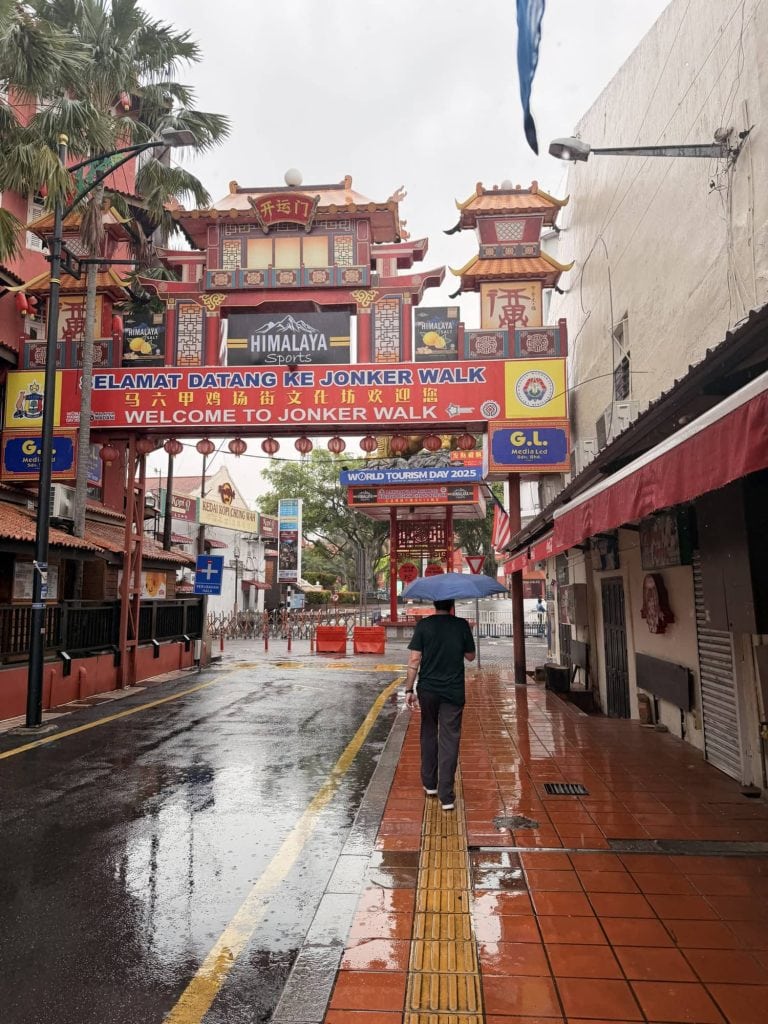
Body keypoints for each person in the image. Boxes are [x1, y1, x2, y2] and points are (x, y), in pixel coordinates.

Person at [404, 598, 476, 811]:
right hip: (453, 691)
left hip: (427, 690)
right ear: (452, 605)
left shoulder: (424, 625)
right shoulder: (461, 625)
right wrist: (461, 641)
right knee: (449, 739)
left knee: (428, 732)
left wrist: (409, 689)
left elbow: (414, 660)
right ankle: (446, 796)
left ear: (434, 604)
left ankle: (430, 784)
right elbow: (471, 657)